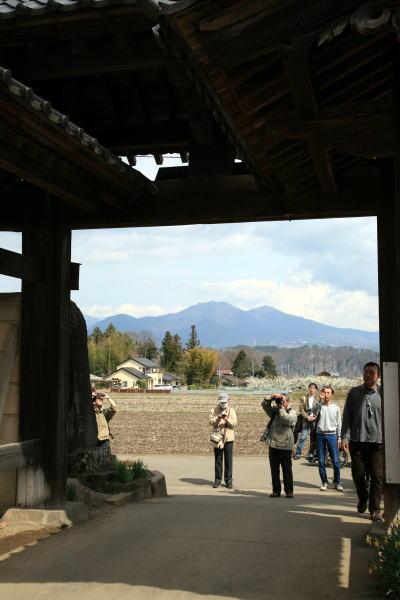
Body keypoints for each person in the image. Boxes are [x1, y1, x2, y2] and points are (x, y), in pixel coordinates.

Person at [341, 362, 383, 521]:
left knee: (377, 476)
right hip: (357, 440)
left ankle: (375, 509)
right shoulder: (354, 393)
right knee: (358, 475)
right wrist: (345, 436)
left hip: (377, 441)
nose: (367, 375)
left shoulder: (383, 393)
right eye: (365, 372)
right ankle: (363, 497)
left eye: (372, 372)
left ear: (378, 376)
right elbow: (347, 416)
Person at [262, 394, 297, 498]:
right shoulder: (275, 411)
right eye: (279, 400)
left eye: (282, 400)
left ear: (287, 402)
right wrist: (271, 397)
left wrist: (281, 409)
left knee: (287, 469)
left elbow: (289, 421)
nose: (280, 402)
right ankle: (276, 490)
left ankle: (289, 491)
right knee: (274, 469)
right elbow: (264, 405)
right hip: (273, 444)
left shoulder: (292, 412)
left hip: (285, 445)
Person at [313, 386, 343, 492]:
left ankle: (337, 482)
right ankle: (324, 481)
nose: (326, 394)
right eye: (325, 392)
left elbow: (339, 423)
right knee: (321, 461)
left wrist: (339, 437)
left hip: (332, 435)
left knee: (335, 460)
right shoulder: (319, 406)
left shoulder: (336, 408)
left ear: (332, 394)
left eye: (328, 393)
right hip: (320, 434)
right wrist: (319, 400)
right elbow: (313, 412)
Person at [209, 392, 237, 489]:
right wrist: (218, 417)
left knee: (228, 460)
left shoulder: (231, 411)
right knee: (218, 459)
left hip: (228, 438)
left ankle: (228, 480)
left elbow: (234, 423)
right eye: (221, 402)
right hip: (217, 438)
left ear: (228, 401)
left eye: (225, 402)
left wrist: (226, 419)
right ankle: (217, 480)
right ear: (219, 401)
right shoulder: (214, 410)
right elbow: (211, 422)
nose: (223, 404)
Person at [293, 382, 319, 460]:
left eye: (313, 388)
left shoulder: (318, 399)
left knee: (313, 438)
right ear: (308, 389)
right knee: (303, 437)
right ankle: (298, 453)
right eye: (310, 387)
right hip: (306, 420)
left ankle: (311, 454)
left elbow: (319, 409)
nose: (311, 389)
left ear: (316, 389)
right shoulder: (303, 398)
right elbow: (301, 409)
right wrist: (307, 417)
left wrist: (314, 416)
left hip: (315, 421)